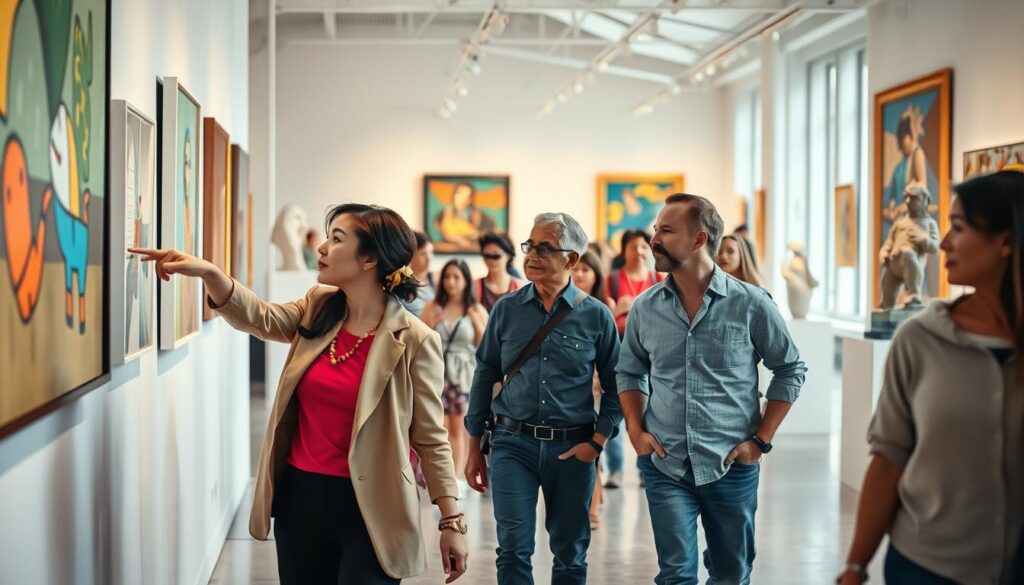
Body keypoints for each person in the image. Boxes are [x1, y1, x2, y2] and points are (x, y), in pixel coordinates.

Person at [130, 203, 468, 584]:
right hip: (301, 497)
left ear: (370, 258)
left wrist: (450, 519)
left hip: (376, 505)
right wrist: (210, 273)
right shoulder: (318, 307)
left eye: (336, 239)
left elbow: (431, 437)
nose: (322, 248)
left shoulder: (415, 340)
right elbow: (259, 316)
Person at [839, 170, 1024, 585]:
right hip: (927, 566)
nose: (942, 244)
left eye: (958, 229)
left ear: (1006, 241)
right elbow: (888, 460)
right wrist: (854, 567)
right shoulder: (920, 338)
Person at [617, 193, 806, 585]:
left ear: (699, 239)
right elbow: (630, 371)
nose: (654, 239)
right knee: (675, 573)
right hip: (666, 463)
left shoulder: (752, 304)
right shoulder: (644, 307)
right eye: (656, 229)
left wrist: (761, 440)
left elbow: (790, 369)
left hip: (731, 464)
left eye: (666, 231)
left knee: (731, 573)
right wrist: (635, 429)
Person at [464, 212, 622, 585]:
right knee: (513, 550)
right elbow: (485, 375)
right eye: (530, 246)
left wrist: (598, 442)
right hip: (511, 445)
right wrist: (474, 447)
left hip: (571, 449)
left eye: (544, 248)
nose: (531, 255)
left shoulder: (596, 316)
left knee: (570, 555)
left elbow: (619, 386)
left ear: (571, 259)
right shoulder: (506, 310)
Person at [421, 259, 488, 496]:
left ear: (466, 281)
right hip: (437, 373)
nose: (451, 282)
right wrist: (432, 323)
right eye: (448, 276)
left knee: (458, 428)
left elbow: (484, 348)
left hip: (462, 373)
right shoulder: (432, 307)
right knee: (437, 427)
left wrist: (477, 324)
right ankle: (441, 477)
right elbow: (421, 341)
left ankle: (457, 478)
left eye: (457, 277)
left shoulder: (476, 309)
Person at [603, 229, 663, 489]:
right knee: (617, 407)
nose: (638, 252)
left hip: (652, 349)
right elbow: (607, 314)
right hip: (619, 346)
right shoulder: (612, 280)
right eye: (632, 247)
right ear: (624, 250)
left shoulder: (658, 278)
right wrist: (621, 307)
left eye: (643, 247)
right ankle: (616, 469)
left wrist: (633, 305)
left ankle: (644, 467)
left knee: (651, 408)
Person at [571, 250, 615, 531]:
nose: (580, 274)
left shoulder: (602, 306)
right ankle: (586, 502)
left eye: (587, 270)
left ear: (597, 274)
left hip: (598, 388)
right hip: (577, 390)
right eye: (577, 269)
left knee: (596, 450)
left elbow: (609, 352)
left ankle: (594, 505)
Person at [434, 182, 498, 250]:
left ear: (470, 200)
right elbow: (445, 233)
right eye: (459, 194)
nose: (462, 199)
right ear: (454, 195)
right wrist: (458, 239)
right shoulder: (444, 214)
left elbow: (486, 234)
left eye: (466, 196)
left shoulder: (480, 216)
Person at [476, 231, 527, 311]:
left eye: (496, 256)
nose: (491, 260)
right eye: (486, 256)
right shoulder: (474, 287)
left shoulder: (521, 288)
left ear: (508, 256)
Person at [402, 231, 436, 319]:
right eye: (423, 253)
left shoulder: (435, 280)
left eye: (431, 252)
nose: (429, 258)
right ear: (411, 255)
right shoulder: (401, 283)